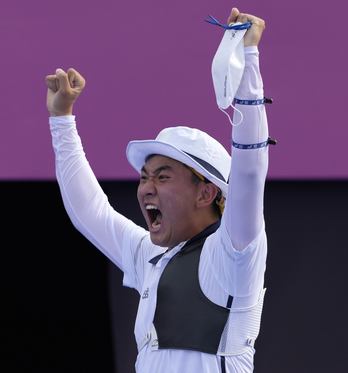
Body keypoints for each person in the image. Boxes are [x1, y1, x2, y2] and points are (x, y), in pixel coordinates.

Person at [46, 8, 269, 373]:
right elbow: (90, 211)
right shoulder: (149, 255)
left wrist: (248, 60)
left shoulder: (235, 252)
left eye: (163, 177)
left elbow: (250, 169)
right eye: (144, 177)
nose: (146, 188)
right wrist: (62, 119)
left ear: (206, 193)